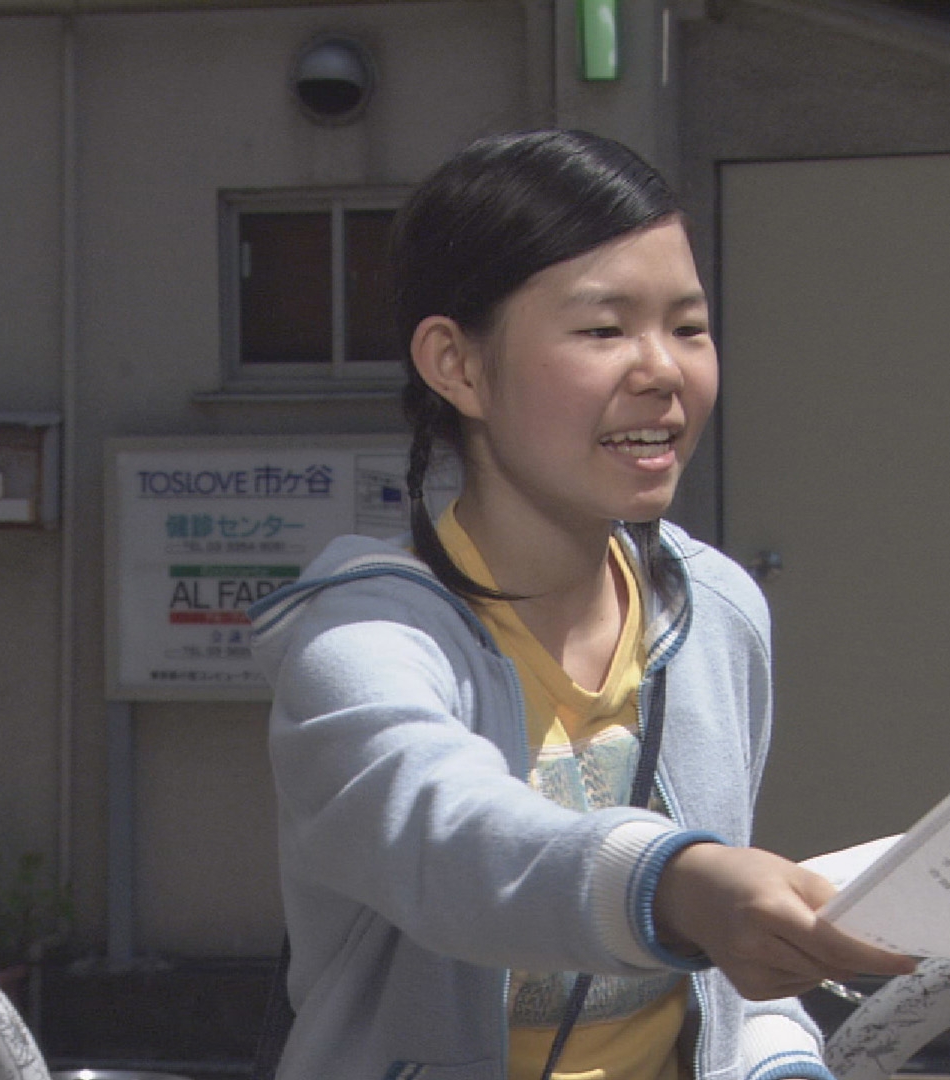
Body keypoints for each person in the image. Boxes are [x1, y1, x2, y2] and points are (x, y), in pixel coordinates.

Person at [248, 129, 914, 1080]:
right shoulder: (364, 643)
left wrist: (778, 1060)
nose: (663, 371)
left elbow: (727, 991)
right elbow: (455, 841)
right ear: (456, 364)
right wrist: (676, 885)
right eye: (604, 330)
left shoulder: (717, 610)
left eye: (688, 327)